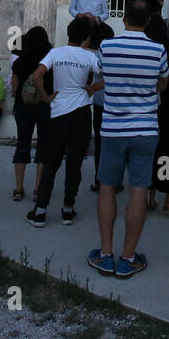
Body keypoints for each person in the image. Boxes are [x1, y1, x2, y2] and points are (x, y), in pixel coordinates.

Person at [88, 0, 167, 278]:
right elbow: (163, 82)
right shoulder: (158, 50)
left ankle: (106, 253)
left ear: (123, 18)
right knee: (138, 190)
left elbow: (100, 73)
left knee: (107, 187)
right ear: (148, 21)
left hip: (113, 129)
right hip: (145, 128)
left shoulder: (107, 47)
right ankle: (128, 256)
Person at [27, 16, 99, 228]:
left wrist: (45, 96)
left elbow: (36, 76)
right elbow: (110, 75)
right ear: (86, 37)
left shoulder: (55, 53)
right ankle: (68, 209)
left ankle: (40, 209)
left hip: (58, 112)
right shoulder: (89, 56)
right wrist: (94, 87)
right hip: (82, 112)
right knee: (74, 163)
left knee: (51, 162)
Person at [144, 14, 169, 217]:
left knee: (146, 151)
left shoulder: (145, 46)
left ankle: (149, 197)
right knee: (166, 152)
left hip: (146, 106)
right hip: (167, 106)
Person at [10, 26, 52, 202]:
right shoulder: (49, 62)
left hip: (23, 107)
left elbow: (14, 88)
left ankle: (19, 188)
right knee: (43, 148)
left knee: (22, 145)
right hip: (44, 107)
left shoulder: (19, 63)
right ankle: (37, 189)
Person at [87, 21, 114, 191]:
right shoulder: (113, 53)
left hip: (99, 101)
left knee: (100, 143)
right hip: (113, 102)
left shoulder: (95, 55)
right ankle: (113, 180)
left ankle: (100, 179)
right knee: (112, 143)